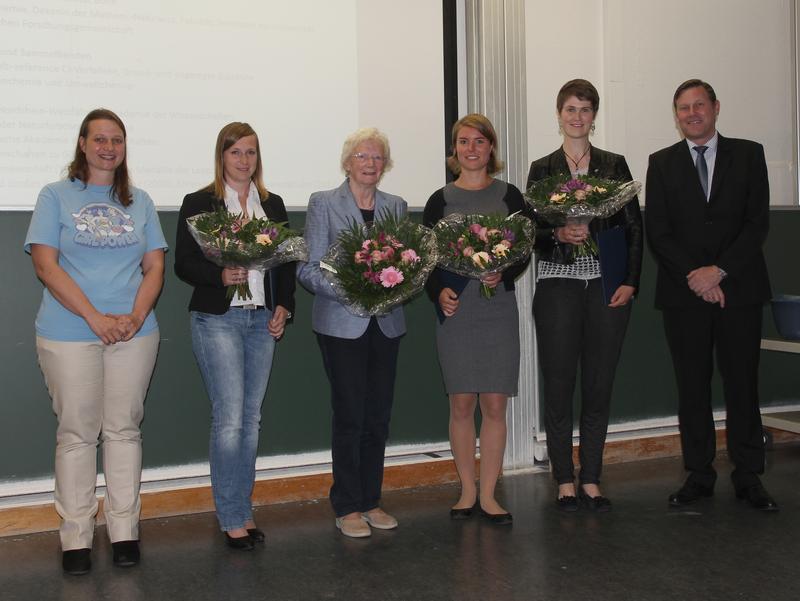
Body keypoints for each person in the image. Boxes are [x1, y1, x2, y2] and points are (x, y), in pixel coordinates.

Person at [24, 108, 167, 574]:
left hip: (133, 331)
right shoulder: (55, 196)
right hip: (69, 333)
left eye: (117, 140)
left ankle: (125, 530)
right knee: (77, 434)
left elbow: (155, 268)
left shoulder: (140, 200)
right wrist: (94, 318)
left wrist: (134, 316)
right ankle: (76, 537)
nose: (109, 148)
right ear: (82, 144)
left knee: (124, 430)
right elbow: (46, 265)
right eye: (100, 139)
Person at [645, 79, 776, 511]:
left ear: (716, 107)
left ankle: (749, 476)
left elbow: (756, 224)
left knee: (743, 383)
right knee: (692, 387)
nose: (692, 113)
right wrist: (695, 277)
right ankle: (698, 475)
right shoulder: (661, 163)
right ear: (676, 115)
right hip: (685, 295)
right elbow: (659, 233)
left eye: (699, 105)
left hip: (739, 289)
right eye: (683, 108)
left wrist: (717, 272)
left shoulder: (750, 154)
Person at [174, 122, 296, 549]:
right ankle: (231, 516)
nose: (244, 160)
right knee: (229, 420)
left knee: (251, 419)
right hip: (218, 320)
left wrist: (284, 306)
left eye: (251, 152)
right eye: (236, 152)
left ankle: (242, 510)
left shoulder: (272, 204)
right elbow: (184, 264)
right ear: (221, 156)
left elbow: (285, 264)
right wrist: (220, 274)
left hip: (262, 320)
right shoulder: (200, 202)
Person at [526, 79, 643, 512]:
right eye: (571, 109)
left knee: (599, 383)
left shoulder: (614, 165)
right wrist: (557, 233)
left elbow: (633, 227)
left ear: (595, 117)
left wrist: (629, 280)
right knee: (559, 383)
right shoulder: (542, 168)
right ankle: (564, 479)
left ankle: (591, 476)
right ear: (559, 114)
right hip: (557, 284)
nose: (578, 117)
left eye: (586, 110)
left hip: (606, 286)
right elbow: (529, 235)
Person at [297, 127, 406, 538]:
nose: (370, 164)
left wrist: (396, 282)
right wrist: (354, 288)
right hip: (342, 324)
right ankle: (346, 505)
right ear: (347, 162)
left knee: (377, 417)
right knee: (350, 416)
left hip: (387, 324)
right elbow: (307, 270)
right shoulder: (323, 203)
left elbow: (407, 263)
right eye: (363, 156)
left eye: (378, 158)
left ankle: (370, 500)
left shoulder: (396, 206)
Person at [423, 113, 530, 525]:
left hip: (497, 308)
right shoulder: (440, 200)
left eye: (479, 142)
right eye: (464, 142)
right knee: (462, 404)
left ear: (491, 149)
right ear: (455, 151)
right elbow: (426, 258)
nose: (471, 149)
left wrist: (505, 271)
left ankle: (489, 494)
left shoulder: (510, 195)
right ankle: (466, 490)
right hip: (458, 310)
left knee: (495, 404)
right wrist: (439, 292)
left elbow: (521, 251)